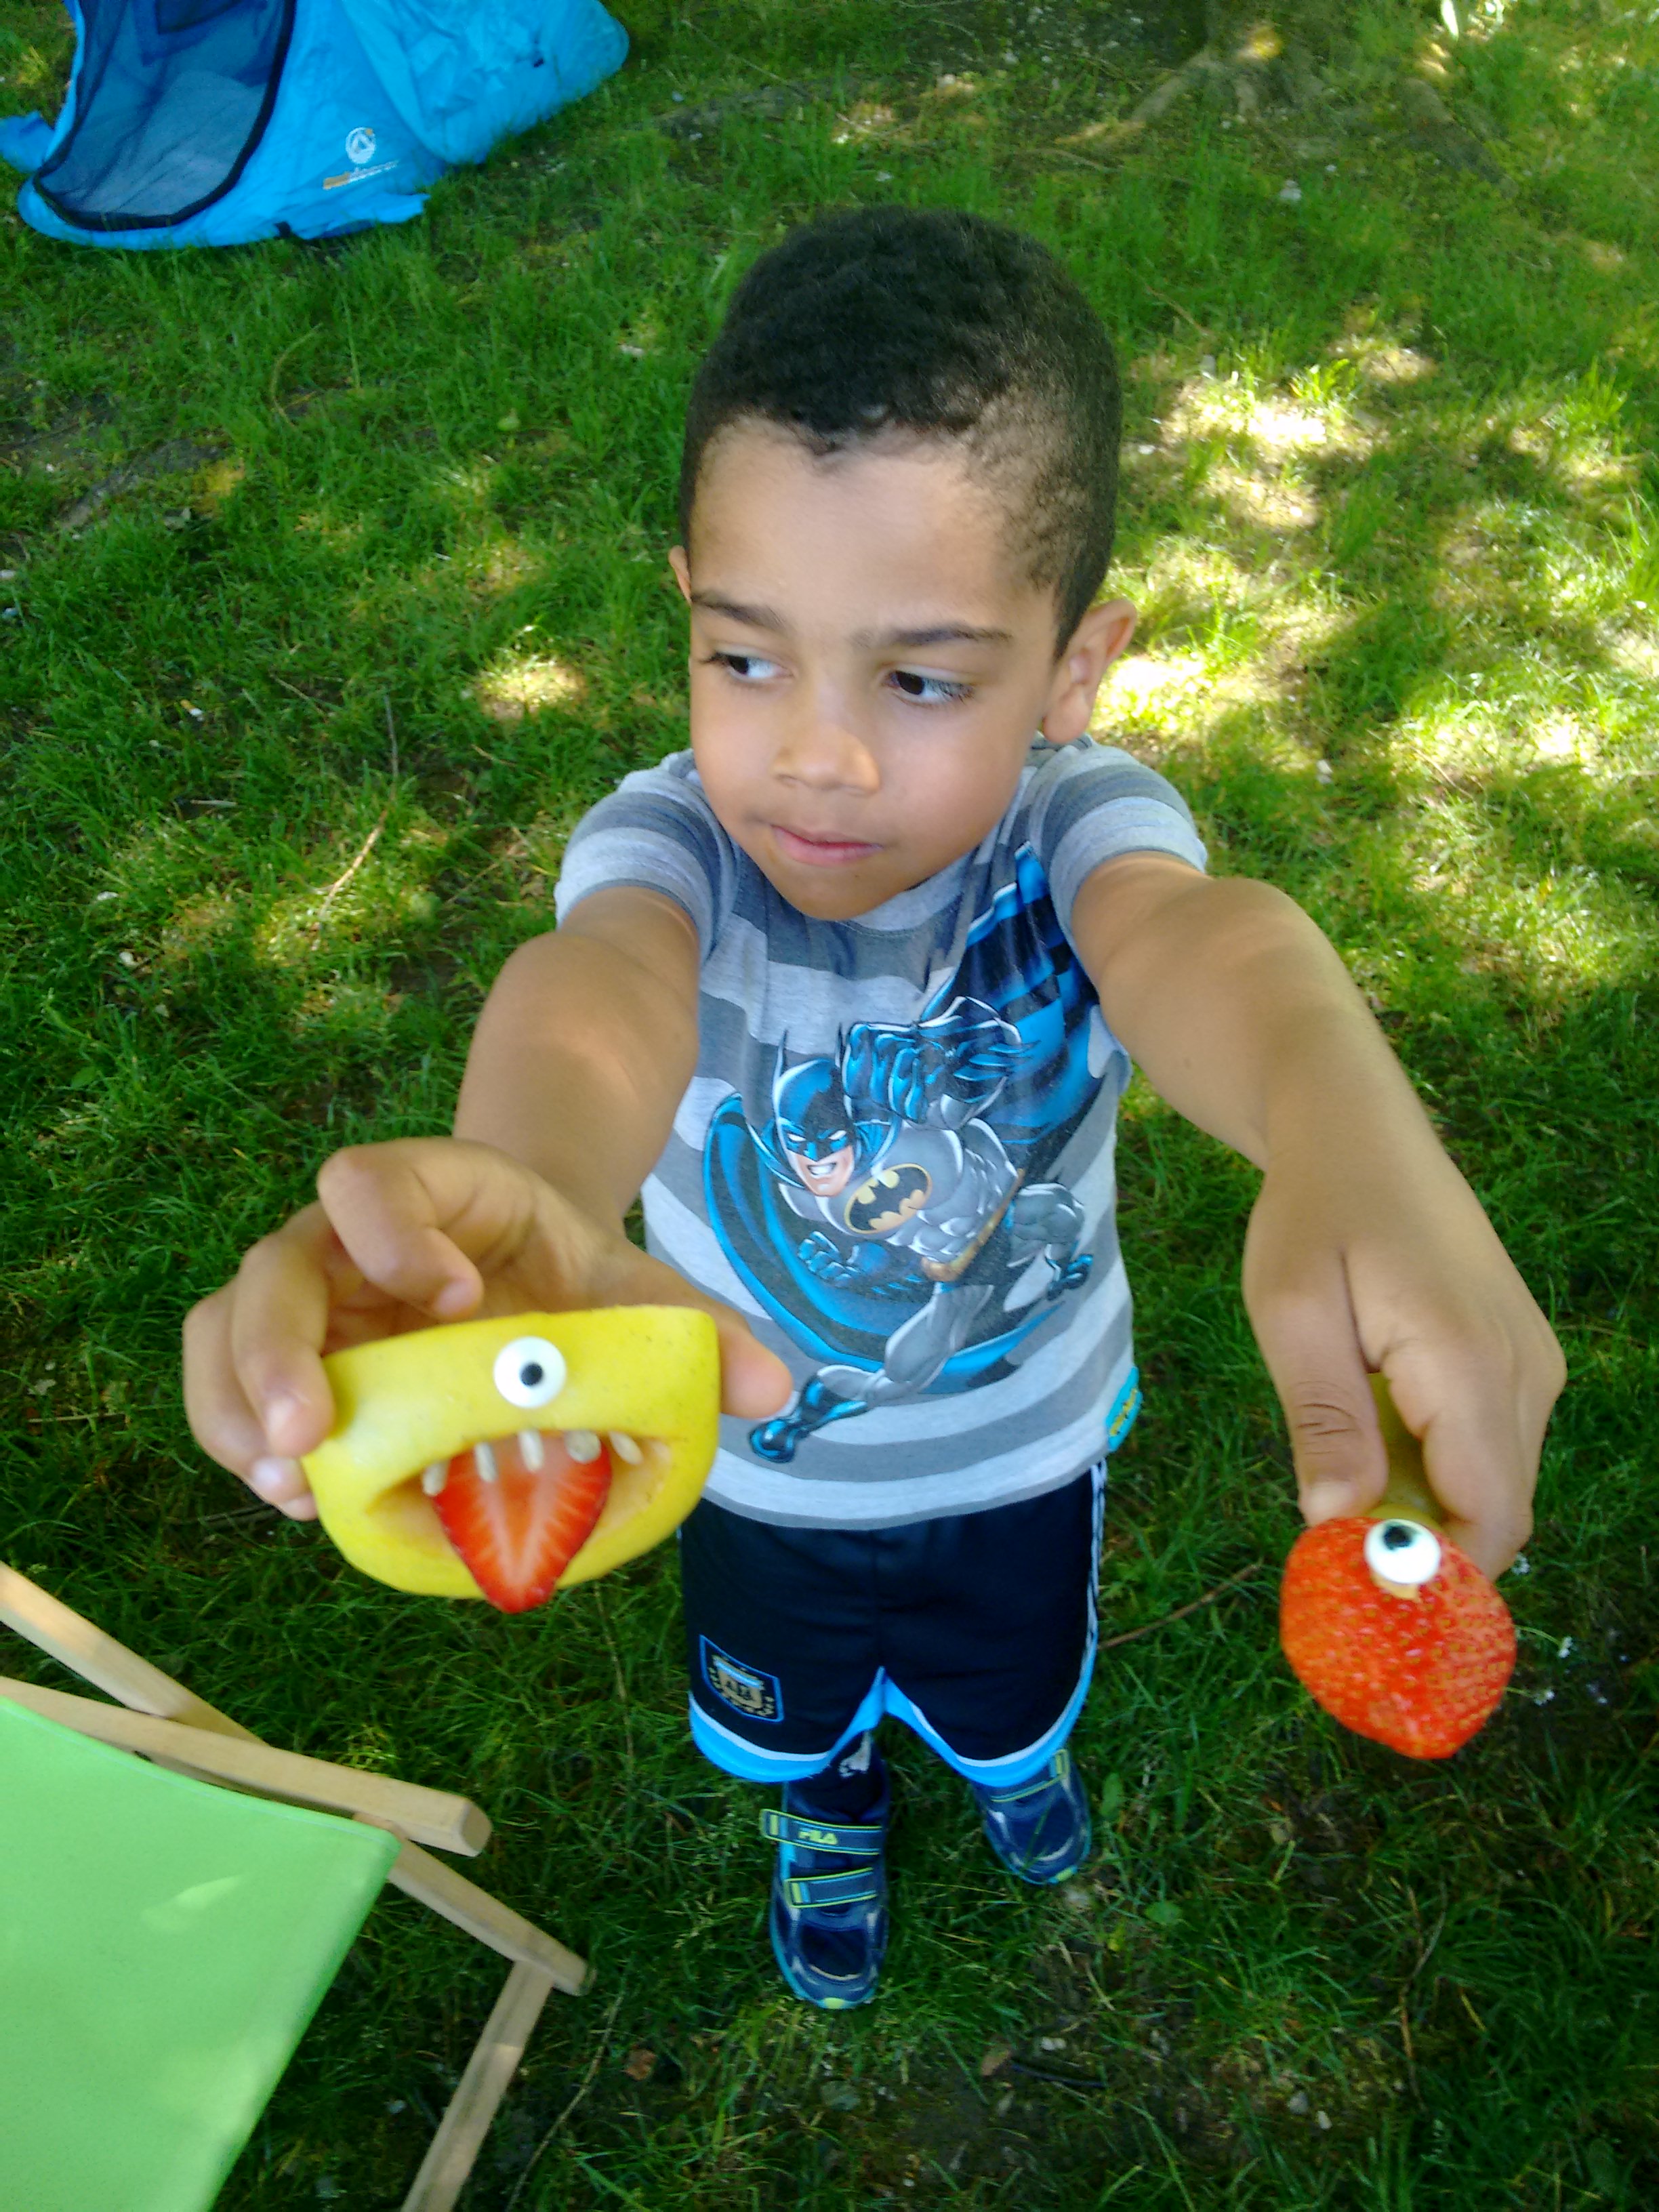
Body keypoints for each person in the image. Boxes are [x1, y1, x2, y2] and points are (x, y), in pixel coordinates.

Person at [184, 207, 1563, 2011]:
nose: (817, 754)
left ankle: (1011, 1767)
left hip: (1024, 1461)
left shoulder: (1070, 830)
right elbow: (597, 1000)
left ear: (1074, 667)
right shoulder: (677, 851)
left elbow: (1208, 950)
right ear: (684, 605)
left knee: (1008, 1682)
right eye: (748, 659)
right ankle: (830, 1809)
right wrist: (519, 1177)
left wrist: (1342, 1113)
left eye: (920, 678)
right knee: (798, 1705)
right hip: (751, 1477)